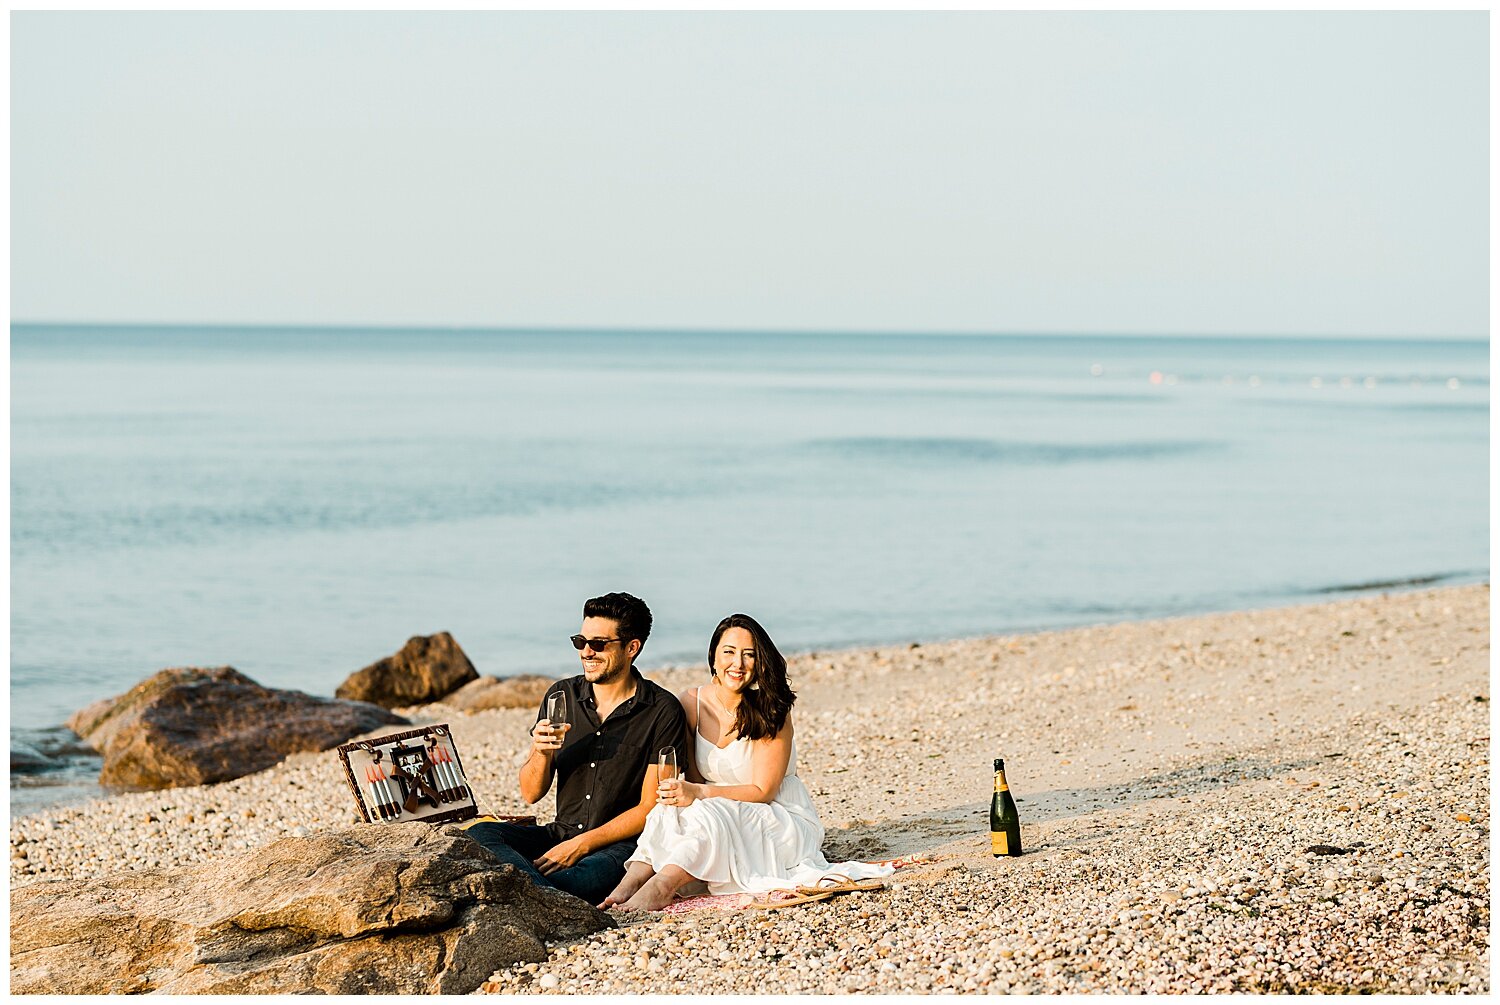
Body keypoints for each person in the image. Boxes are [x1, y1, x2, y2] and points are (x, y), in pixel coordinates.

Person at [601, 613, 893, 911]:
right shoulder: (691, 703)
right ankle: (629, 884)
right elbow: (693, 780)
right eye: (728, 652)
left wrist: (699, 794)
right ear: (713, 656)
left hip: (779, 816)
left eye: (748, 655)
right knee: (669, 809)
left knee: (709, 811)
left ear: (760, 661)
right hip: (719, 811)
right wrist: (685, 793)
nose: (737, 664)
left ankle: (662, 887)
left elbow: (763, 791)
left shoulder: (771, 709)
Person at [460, 592, 688, 905]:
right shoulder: (561, 695)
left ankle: (529, 891)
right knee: (480, 835)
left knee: (579, 881)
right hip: (559, 834)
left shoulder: (662, 710)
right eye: (581, 641)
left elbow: (650, 807)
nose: (586, 652)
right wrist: (540, 752)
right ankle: (540, 893)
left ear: (632, 647)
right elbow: (530, 793)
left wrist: (581, 845)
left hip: (620, 846)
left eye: (599, 644)